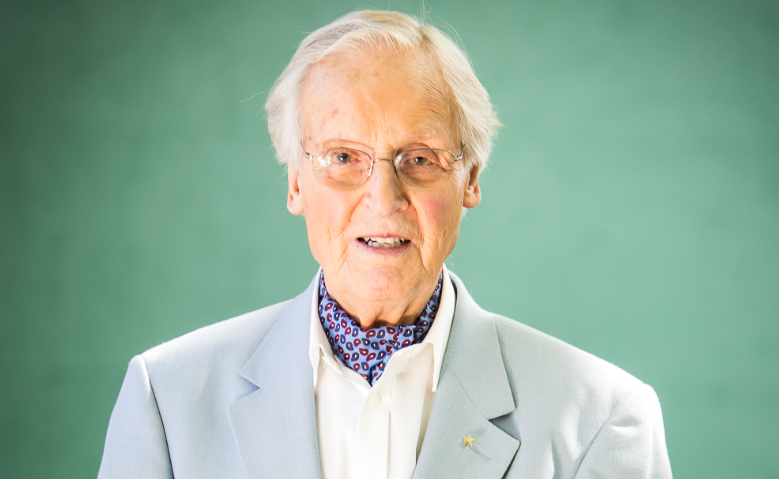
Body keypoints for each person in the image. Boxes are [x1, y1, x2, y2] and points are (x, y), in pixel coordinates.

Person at [98, 10, 672, 479]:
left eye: (419, 159)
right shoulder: (167, 398)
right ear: (295, 182)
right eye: (343, 157)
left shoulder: (602, 419)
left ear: (470, 180)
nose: (382, 198)